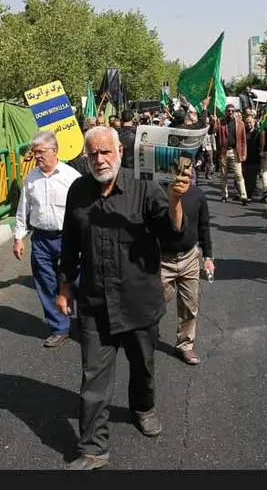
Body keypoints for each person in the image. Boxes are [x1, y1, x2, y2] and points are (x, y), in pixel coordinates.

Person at [57, 126, 190, 470]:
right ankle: (93, 448)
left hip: (139, 301)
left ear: (121, 152)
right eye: (93, 154)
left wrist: (175, 201)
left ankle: (143, 407)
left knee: (143, 367)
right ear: (86, 157)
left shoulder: (145, 188)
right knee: (93, 377)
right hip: (94, 304)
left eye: (107, 152)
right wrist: (65, 285)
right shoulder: (78, 191)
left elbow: (172, 235)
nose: (100, 159)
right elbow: (70, 241)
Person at [13, 131, 82, 348]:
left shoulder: (71, 177)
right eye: (34, 153)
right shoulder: (31, 178)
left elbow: (84, 209)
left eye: (41, 152)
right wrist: (18, 237)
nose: (37, 157)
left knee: (79, 282)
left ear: (54, 151)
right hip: (41, 239)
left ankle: (91, 324)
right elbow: (23, 208)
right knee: (46, 283)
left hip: (68, 238)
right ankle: (59, 327)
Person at [159, 180, 213, 366]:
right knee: (156, 298)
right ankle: (148, 330)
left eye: (187, 169)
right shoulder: (157, 192)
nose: (183, 174)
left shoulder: (198, 195)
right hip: (162, 259)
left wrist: (208, 257)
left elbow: (204, 227)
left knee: (190, 304)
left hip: (190, 257)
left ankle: (185, 345)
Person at [214, 104, 248, 205]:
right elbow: (212, 130)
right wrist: (213, 121)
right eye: (229, 111)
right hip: (224, 152)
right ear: (225, 112)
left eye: (232, 111)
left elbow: (243, 140)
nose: (230, 113)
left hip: (235, 152)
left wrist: (243, 153)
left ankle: (243, 196)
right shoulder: (220, 122)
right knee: (223, 175)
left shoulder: (240, 124)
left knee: (238, 174)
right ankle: (224, 195)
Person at [242, 113, 264, 199]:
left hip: (254, 158)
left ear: (254, 123)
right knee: (243, 176)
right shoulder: (243, 132)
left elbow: (261, 143)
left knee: (252, 177)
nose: (249, 124)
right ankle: (243, 192)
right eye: (247, 122)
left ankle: (249, 193)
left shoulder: (257, 133)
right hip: (244, 157)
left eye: (250, 122)